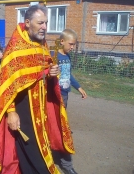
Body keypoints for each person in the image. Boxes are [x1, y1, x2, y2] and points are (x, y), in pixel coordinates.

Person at [0, 5, 75, 174]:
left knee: (37, 149)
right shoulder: (15, 47)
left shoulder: (42, 44)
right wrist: (11, 112)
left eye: (46, 23)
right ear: (28, 22)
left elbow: (43, 71)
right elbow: (6, 83)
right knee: (32, 152)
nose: (44, 27)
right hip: (23, 108)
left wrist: (52, 73)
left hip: (41, 108)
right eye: (40, 23)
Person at [54, 28, 88, 174]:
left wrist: (79, 87)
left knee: (61, 123)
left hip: (65, 96)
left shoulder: (66, 57)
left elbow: (69, 75)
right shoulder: (54, 55)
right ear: (62, 42)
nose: (73, 47)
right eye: (71, 44)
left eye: (74, 45)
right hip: (55, 97)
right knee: (57, 125)